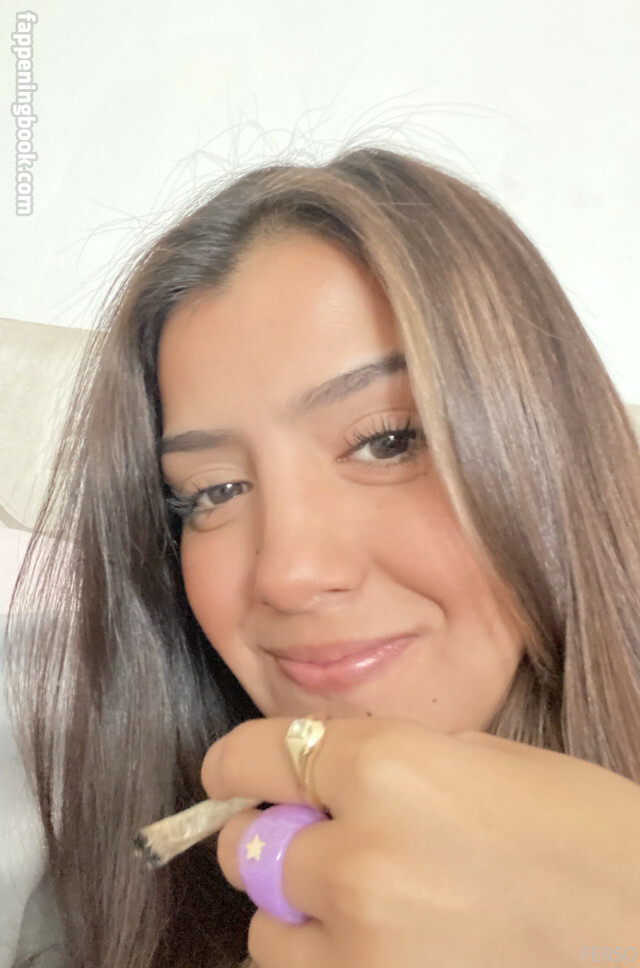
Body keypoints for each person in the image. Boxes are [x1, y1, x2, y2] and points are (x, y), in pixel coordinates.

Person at [5, 145, 640, 968]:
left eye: (387, 441)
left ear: (551, 449)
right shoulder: (109, 878)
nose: (288, 576)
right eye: (213, 492)